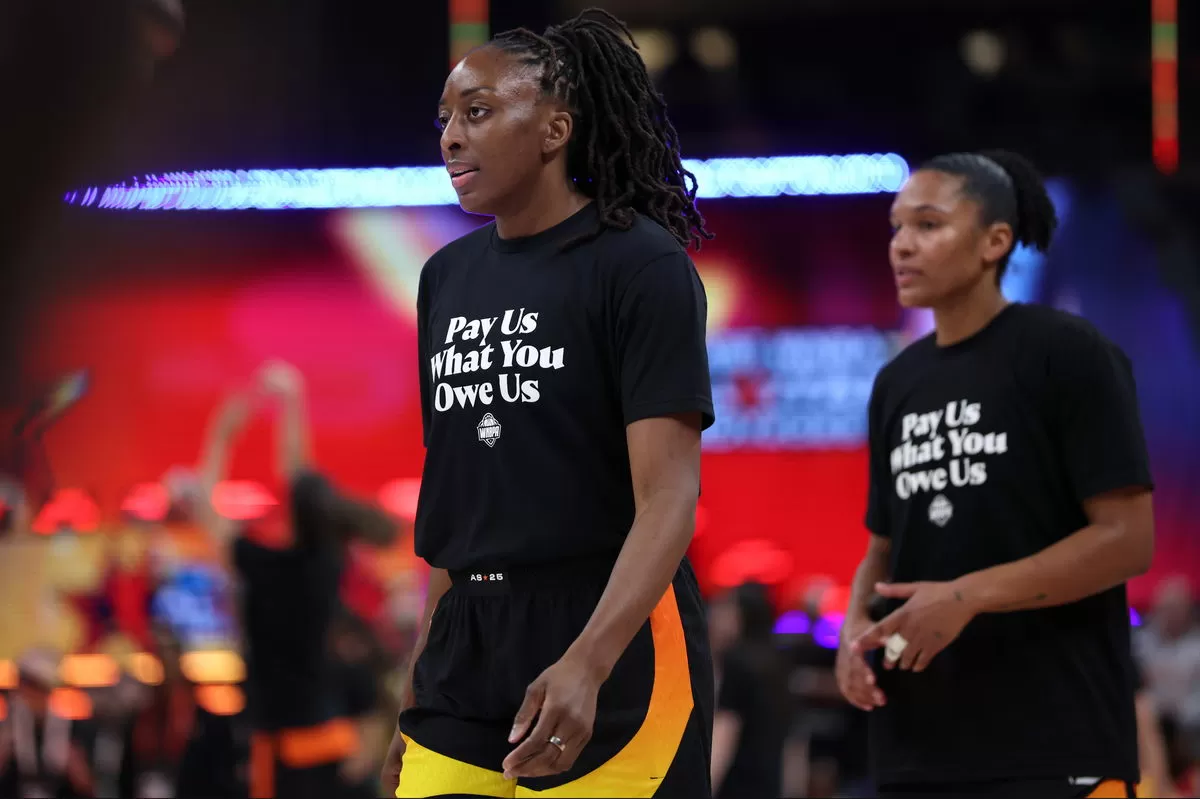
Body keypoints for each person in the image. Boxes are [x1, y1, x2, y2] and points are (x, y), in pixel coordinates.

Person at [380, 8, 715, 799]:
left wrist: (589, 660)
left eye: (478, 111)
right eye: (444, 119)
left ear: (555, 129)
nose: (450, 138)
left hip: (611, 634)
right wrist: (415, 687)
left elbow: (668, 499)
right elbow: (462, 498)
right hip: (466, 645)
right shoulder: (445, 277)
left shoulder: (641, 265)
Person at [836, 150, 1156, 799]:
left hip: (1055, 745)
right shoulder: (896, 381)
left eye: (928, 225)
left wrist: (967, 595)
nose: (902, 245)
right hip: (918, 750)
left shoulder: (1067, 351)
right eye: (897, 227)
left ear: (995, 241)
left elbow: (1127, 539)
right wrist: (851, 632)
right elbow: (883, 545)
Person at [195, 361, 398, 799]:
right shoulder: (326, 563)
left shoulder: (267, 567)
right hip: (333, 744)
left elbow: (207, 515)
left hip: (286, 752)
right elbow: (298, 477)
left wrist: (221, 435)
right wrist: (292, 400)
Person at [707, 582, 789, 799]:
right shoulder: (777, 663)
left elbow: (725, 732)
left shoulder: (738, 664)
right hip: (767, 786)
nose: (713, 618)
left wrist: (704, 789)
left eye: (724, 610)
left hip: (736, 785)